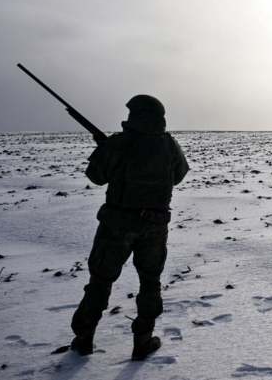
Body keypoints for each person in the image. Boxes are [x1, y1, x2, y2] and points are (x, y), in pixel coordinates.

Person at [70, 95, 189, 361]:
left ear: (135, 115)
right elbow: (179, 175)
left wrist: (105, 152)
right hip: (155, 228)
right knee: (150, 282)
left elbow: (96, 176)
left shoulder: (119, 143)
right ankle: (143, 342)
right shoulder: (169, 144)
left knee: (100, 281)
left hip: (116, 226)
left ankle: (83, 338)